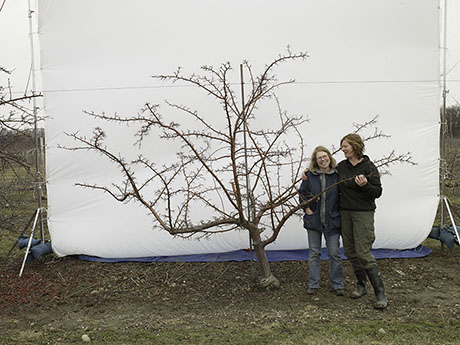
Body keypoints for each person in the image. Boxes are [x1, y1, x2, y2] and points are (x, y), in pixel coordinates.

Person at [336, 133, 387, 309]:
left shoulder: (368, 166)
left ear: (355, 146)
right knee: (350, 250)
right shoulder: (342, 167)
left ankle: (380, 293)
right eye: (342, 146)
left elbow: (378, 192)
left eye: (345, 146)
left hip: (363, 213)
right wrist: (308, 174)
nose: (342, 149)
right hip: (345, 213)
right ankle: (361, 285)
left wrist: (365, 185)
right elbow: (326, 175)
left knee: (363, 252)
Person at [299, 146, 344, 296]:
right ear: (315, 161)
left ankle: (337, 284)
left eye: (325, 156)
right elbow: (302, 193)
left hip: (333, 221)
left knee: (334, 253)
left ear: (329, 157)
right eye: (319, 158)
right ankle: (313, 284)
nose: (323, 159)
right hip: (314, 221)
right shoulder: (310, 176)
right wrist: (307, 209)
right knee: (314, 253)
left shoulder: (338, 175)